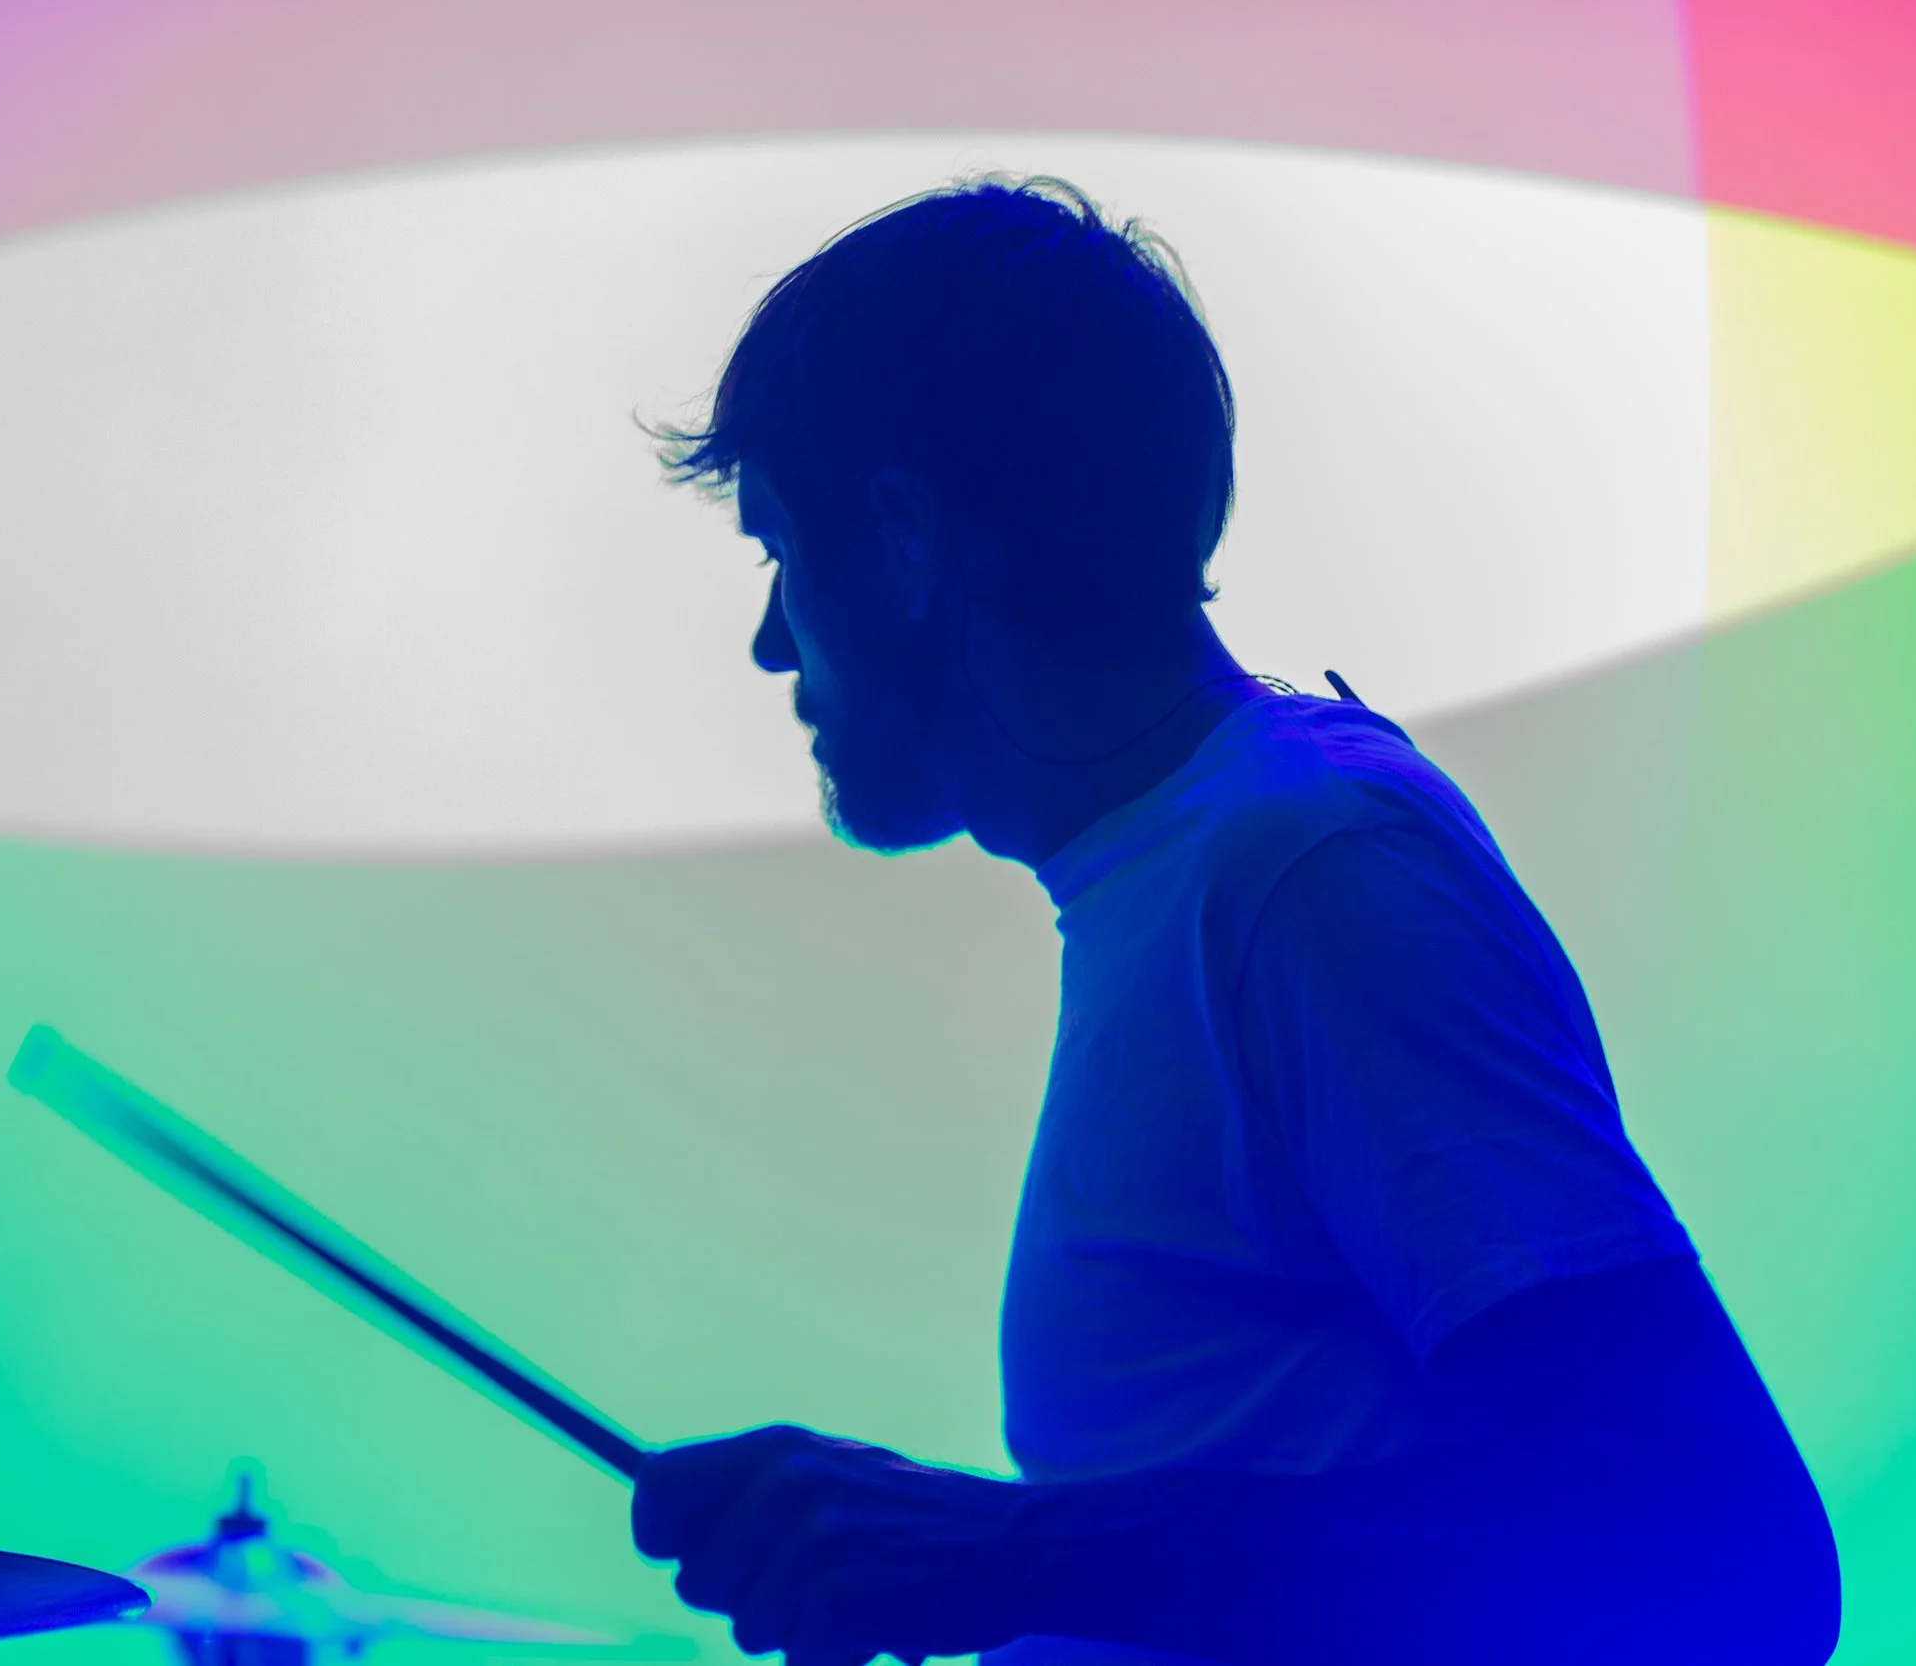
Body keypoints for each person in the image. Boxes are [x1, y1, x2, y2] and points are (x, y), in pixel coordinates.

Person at [629, 178, 1839, 1666]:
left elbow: (1718, 1550)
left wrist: (1015, 1550)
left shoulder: (1311, 866)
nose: (768, 641)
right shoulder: (1198, 867)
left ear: (904, 538)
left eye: (779, 553)